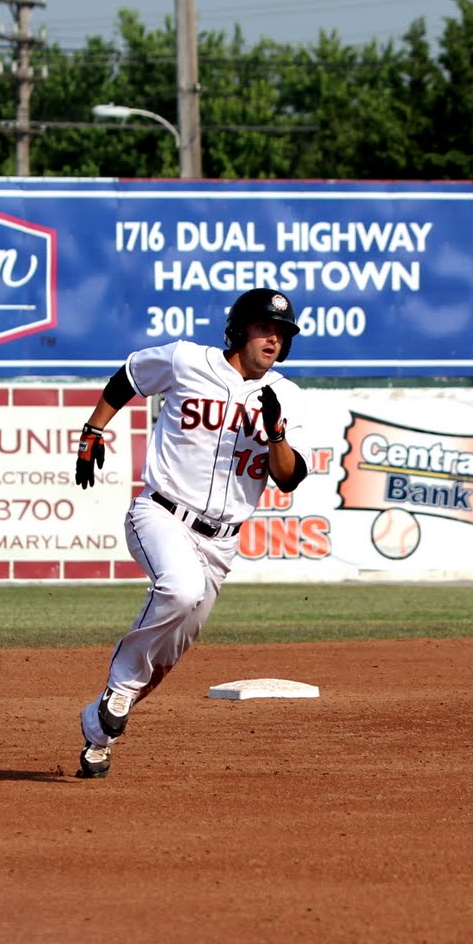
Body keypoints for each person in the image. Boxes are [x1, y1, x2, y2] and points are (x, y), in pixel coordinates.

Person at [70, 288, 311, 778]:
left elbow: (289, 477)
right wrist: (94, 428)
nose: (274, 339)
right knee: (179, 588)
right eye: (266, 328)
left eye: (282, 334)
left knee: (164, 660)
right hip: (159, 512)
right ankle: (117, 685)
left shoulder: (286, 396)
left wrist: (277, 434)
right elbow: (131, 377)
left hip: (221, 541)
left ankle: (98, 733)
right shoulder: (185, 360)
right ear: (241, 328)